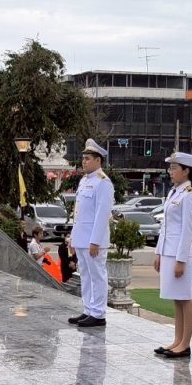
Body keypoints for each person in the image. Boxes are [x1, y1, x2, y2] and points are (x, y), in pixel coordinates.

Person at [153, 151, 192, 358]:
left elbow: (187, 231)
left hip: (180, 254)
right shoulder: (174, 192)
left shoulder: (189, 195)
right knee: (177, 298)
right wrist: (158, 252)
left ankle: (185, 344)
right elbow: (165, 226)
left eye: (174, 168)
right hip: (168, 251)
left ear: (186, 170)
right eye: (170, 168)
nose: (170, 172)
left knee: (185, 297)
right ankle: (177, 340)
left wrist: (181, 260)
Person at [68, 139, 114, 329]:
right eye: (83, 158)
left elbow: (102, 215)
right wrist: (73, 237)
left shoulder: (103, 183)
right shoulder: (85, 181)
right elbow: (78, 213)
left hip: (94, 240)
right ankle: (88, 309)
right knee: (85, 276)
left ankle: (98, 313)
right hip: (81, 238)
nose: (84, 162)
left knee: (97, 276)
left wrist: (95, 241)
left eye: (87, 158)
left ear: (98, 160)